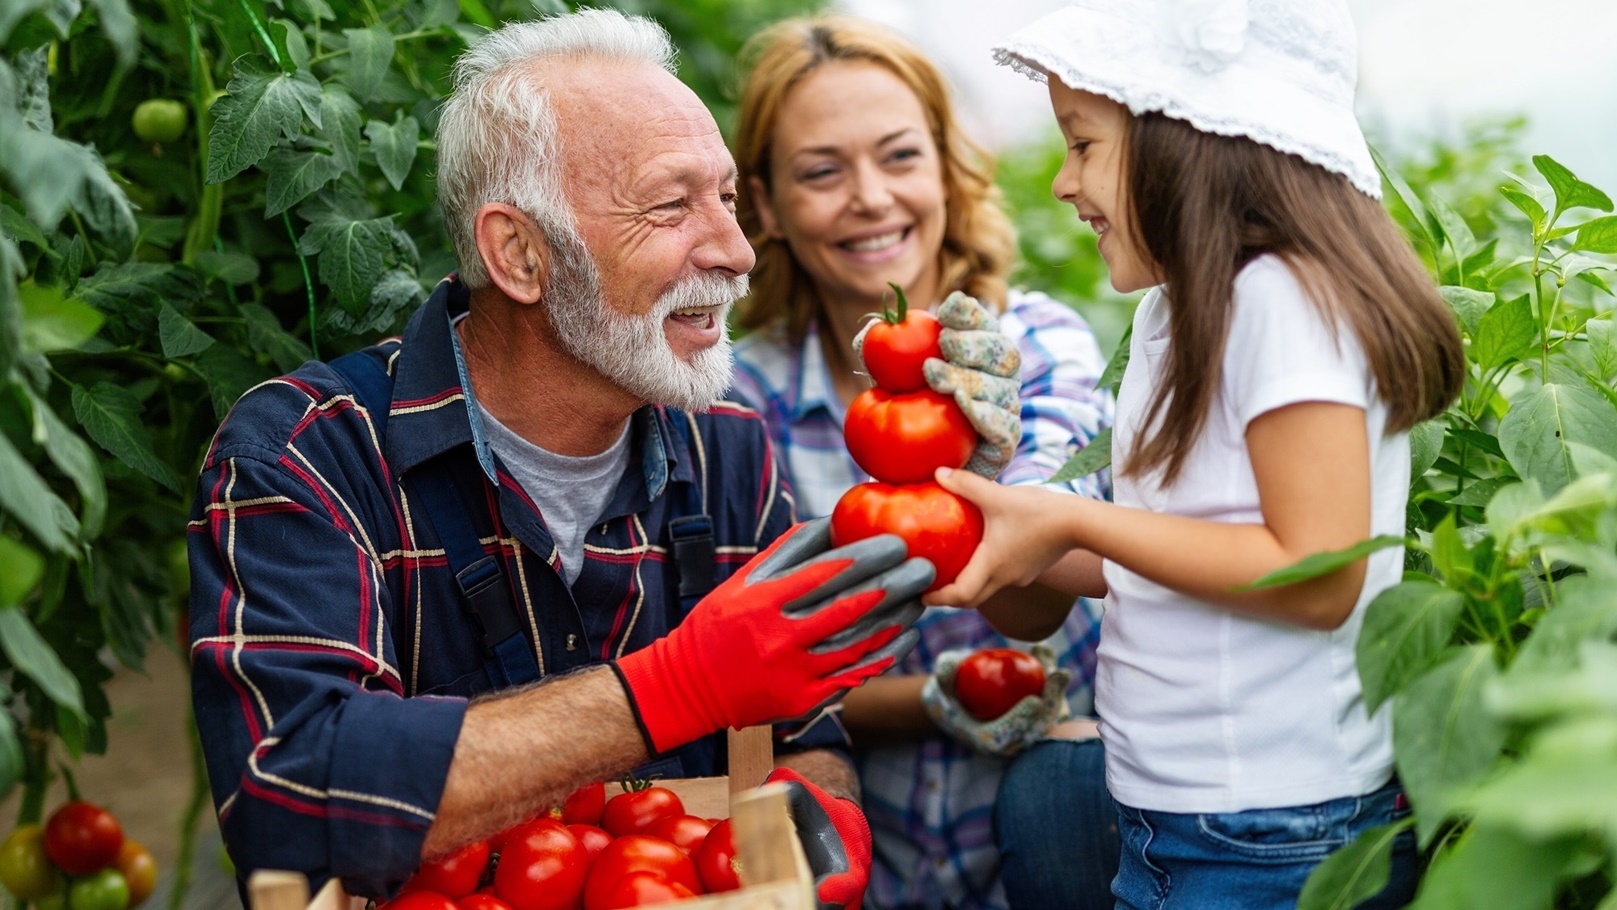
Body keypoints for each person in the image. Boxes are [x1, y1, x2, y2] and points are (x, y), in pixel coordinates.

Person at [185, 10, 937, 906]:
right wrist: (674, 686)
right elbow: (287, 795)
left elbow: (802, 727)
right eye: (669, 205)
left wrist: (825, 815)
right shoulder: (310, 454)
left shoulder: (727, 442)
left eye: (728, 199)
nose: (736, 252)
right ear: (519, 253)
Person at [925, 1, 1468, 907]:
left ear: (1191, 142)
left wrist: (1069, 513)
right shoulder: (1172, 314)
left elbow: (1315, 572)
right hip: (1182, 816)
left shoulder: (1285, 301)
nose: (1061, 182)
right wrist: (1008, 523)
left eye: (1083, 144)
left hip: (1271, 832)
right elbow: (1179, 546)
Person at [726, 17, 1120, 909]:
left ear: (947, 167)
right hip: (869, 859)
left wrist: (988, 464)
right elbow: (747, 686)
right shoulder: (741, 404)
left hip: (1049, 844)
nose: (869, 197)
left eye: (900, 156)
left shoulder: (1036, 350)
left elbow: (1035, 608)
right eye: (821, 171)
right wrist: (929, 701)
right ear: (767, 207)